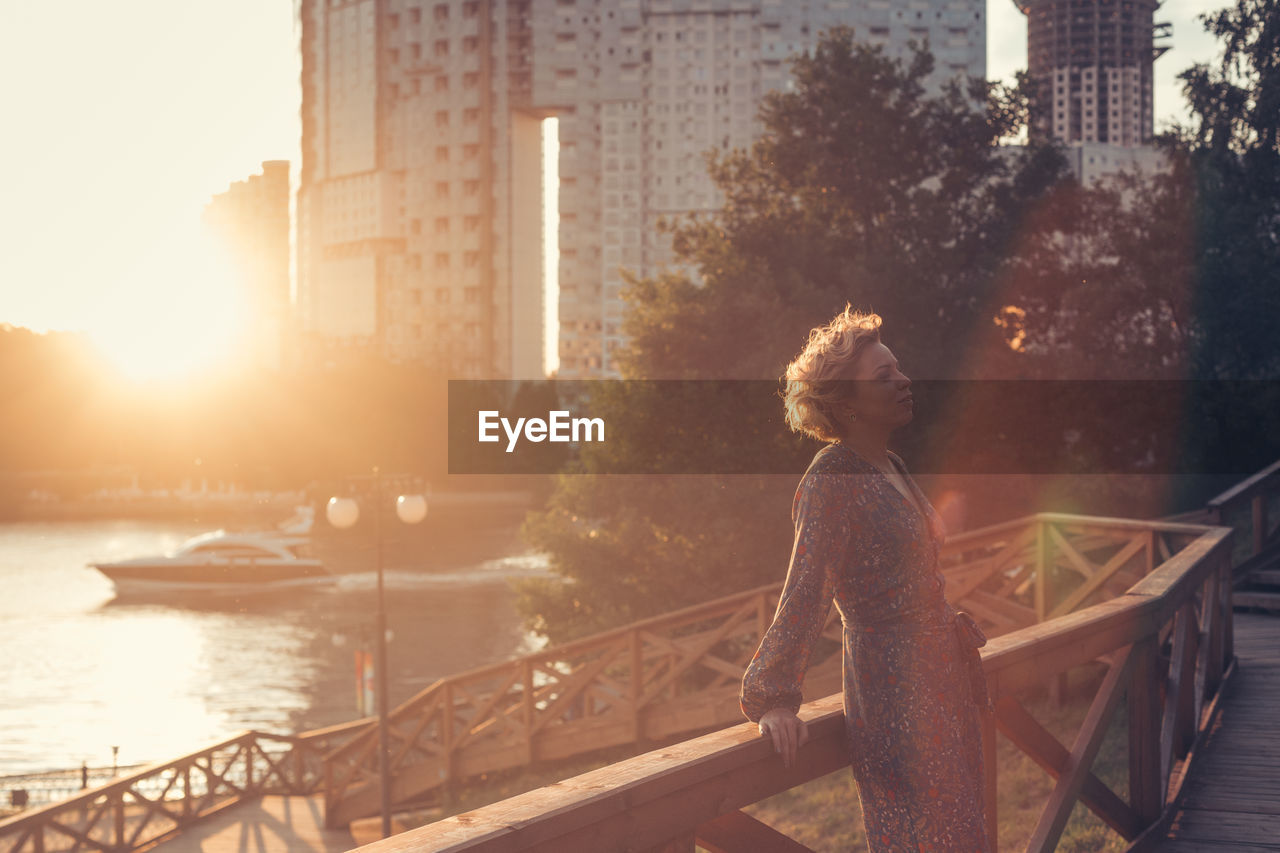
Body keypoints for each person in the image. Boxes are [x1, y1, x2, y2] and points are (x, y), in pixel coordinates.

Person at [740, 305, 993, 851]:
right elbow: (806, 589)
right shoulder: (831, 480)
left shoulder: (890, 463)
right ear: (844, 404)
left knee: (964, 833)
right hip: (895, 694)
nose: (903, 381)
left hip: (942, 679)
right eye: (884, 377)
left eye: (898, 369)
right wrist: (774, 696)